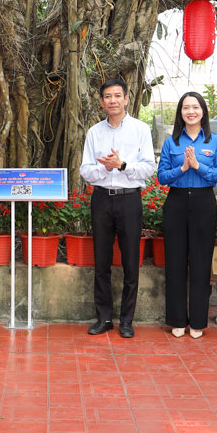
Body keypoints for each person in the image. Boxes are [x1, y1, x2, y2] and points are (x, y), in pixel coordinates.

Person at [79, 77, 157, 338]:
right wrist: (105, 167)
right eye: (107, 97)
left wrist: (122, 165)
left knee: (130, 262)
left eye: (117, 96)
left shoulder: (140, 129)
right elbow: (85, 170)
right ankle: (103, 319)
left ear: (126, 98)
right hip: (102, 199)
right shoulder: (94, 132)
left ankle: (126, 320)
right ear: (102, 102)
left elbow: (148, 167)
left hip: (129, 199)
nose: (112, 100)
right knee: (101, 261)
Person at [156, 92, 217, 339]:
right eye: (186, 107)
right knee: (175, 261)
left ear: (203, 111)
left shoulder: (214, 142)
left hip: (203, 201)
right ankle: (176, 319)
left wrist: (198, 166)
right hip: (176, 202)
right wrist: (183, 167)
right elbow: (162, 177)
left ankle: (198, 321)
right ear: (181, 113)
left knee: (200, 261)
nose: (191, 111)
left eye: (195, 107)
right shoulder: (171, 142)